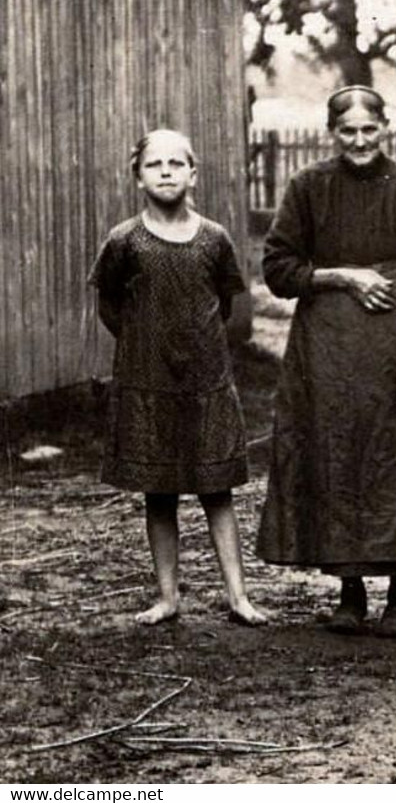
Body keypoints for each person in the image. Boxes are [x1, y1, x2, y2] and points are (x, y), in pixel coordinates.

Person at [256, 86, 396, 637]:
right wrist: (342, 276)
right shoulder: (309, 188)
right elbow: (278, 269)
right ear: (332, 134)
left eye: (369, 130)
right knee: (336, 456)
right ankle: (349, 591)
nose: (359, 141)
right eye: (347, 132)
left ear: (385, 129)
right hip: (325, 351)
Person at [90, 129, 268, 627]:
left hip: (205, 383)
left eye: (176, 163)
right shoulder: (124, 240)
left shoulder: (214, 238)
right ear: (137, 176)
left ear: (194, 173)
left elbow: (228, 305)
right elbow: (109, 304)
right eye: (154, 164)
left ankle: (238, 596)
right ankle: (168, 597)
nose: (165, 171)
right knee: (159, 491)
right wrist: (143, 345)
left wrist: (200, 350)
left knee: (217, 490)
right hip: (147, 382)